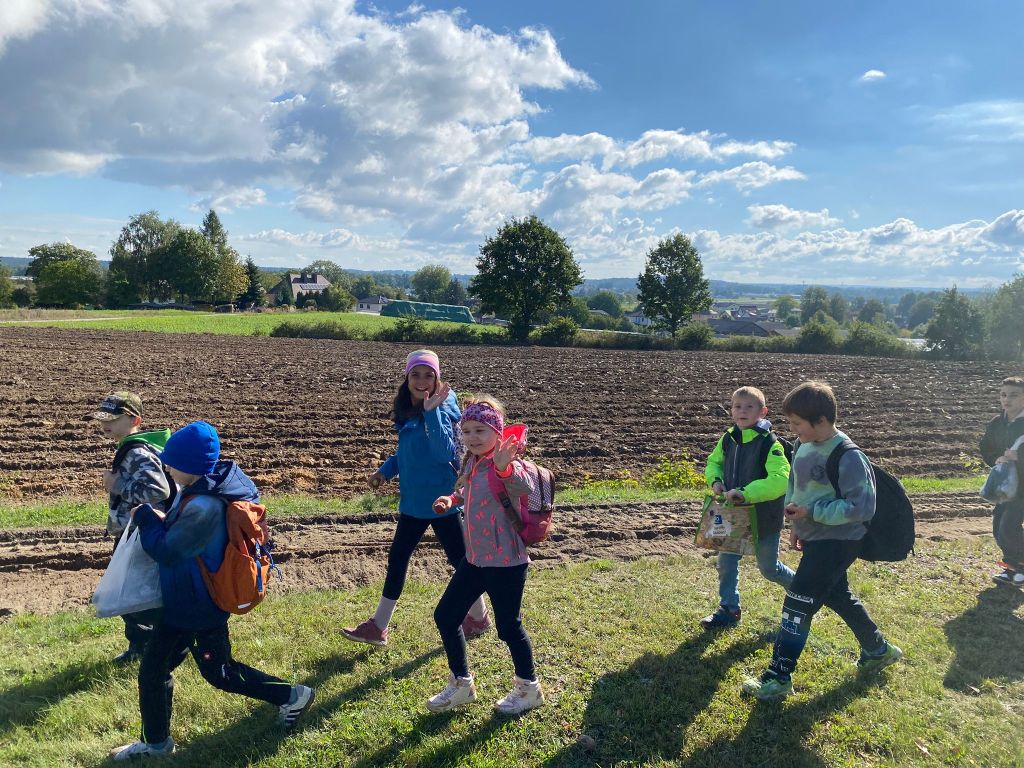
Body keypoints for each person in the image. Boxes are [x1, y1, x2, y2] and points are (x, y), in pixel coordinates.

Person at [110, 421, 313, 761]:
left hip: (199, 606)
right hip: (183, 601)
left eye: (171, 463)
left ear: (189, 466)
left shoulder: (204, 507)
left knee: (221, 673)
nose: (166, 468)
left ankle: (293, 696)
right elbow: (179, 535)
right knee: (153, 670)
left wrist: (146, 517)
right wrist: (160, 517)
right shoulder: (198, 488)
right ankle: (156, 745)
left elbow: (169, 551)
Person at [741, 381, 902, 701]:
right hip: (816, 536)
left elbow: (861, 507)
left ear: (822, 421)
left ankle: (778, 676)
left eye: (797, 423)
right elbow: (797, 488)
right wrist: (797, 524)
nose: (792, 429)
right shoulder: (803, 445)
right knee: (838, 595)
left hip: (840, 540)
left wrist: (811, 513)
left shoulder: (848, 456)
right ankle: (879, 650)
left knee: (797, 602)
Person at [342, 350, 489, 647]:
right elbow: (407, 452)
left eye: (428, 375)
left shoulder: (442, 408)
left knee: (459, 561)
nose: (422, 381)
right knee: (406, 559)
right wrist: (385, 472)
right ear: (407, 378)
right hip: (414, 501)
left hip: (441, 501)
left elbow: (444, 453)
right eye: (416, 374)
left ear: (437, 379)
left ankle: (478, 617)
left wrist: (431, 411)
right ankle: (380, 626)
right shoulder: (407, 408)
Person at [428, 396, 544, 715]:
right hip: (476, 559)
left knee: (508, 627)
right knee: (446, 616)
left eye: (480, 430)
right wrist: (452, 499)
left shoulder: (509, 464)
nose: (472, 437)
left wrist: (505, 468)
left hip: (506, 562)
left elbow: (524, 488)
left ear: (497, 432)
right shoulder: (473, 463)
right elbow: (468, 492)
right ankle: (461, 685)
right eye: (466, 431)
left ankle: (529, 689)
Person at [86, 391, 172, 665]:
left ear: (135, 420)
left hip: (136, 534)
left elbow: (158, 490)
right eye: (102, 418)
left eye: (112, 419)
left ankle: (147, 647)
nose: (105, 423)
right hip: (137, 532)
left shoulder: (136, 451)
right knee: (136, 593)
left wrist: (117, 485)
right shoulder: (136, 447)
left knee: (130, 594)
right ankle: (146, 646)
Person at [700, 386, 794, 629]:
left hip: (764, 518)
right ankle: (729, 609)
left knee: (769, 569)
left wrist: (746, 493)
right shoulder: (728, 438)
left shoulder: (770, 444)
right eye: (737, 406)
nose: (742, 411)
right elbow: (714, 462)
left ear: (763, 412)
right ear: (731, 410)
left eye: (749, 407)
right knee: (726, 562)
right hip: (732, 515)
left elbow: (781, 479)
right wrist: (715, 481)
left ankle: (803, 592)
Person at [981, 376, 1024, 587]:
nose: (1007, 400)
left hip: (1022, 488)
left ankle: (1020, 567)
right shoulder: (997, 423)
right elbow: (985, 447)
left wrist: (1019, 456)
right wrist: (996, 457)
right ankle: (1012, 568)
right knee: (998, 528)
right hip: (1004, 486)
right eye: (1003, 395)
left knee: (1009, 526)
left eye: (1014, 395)